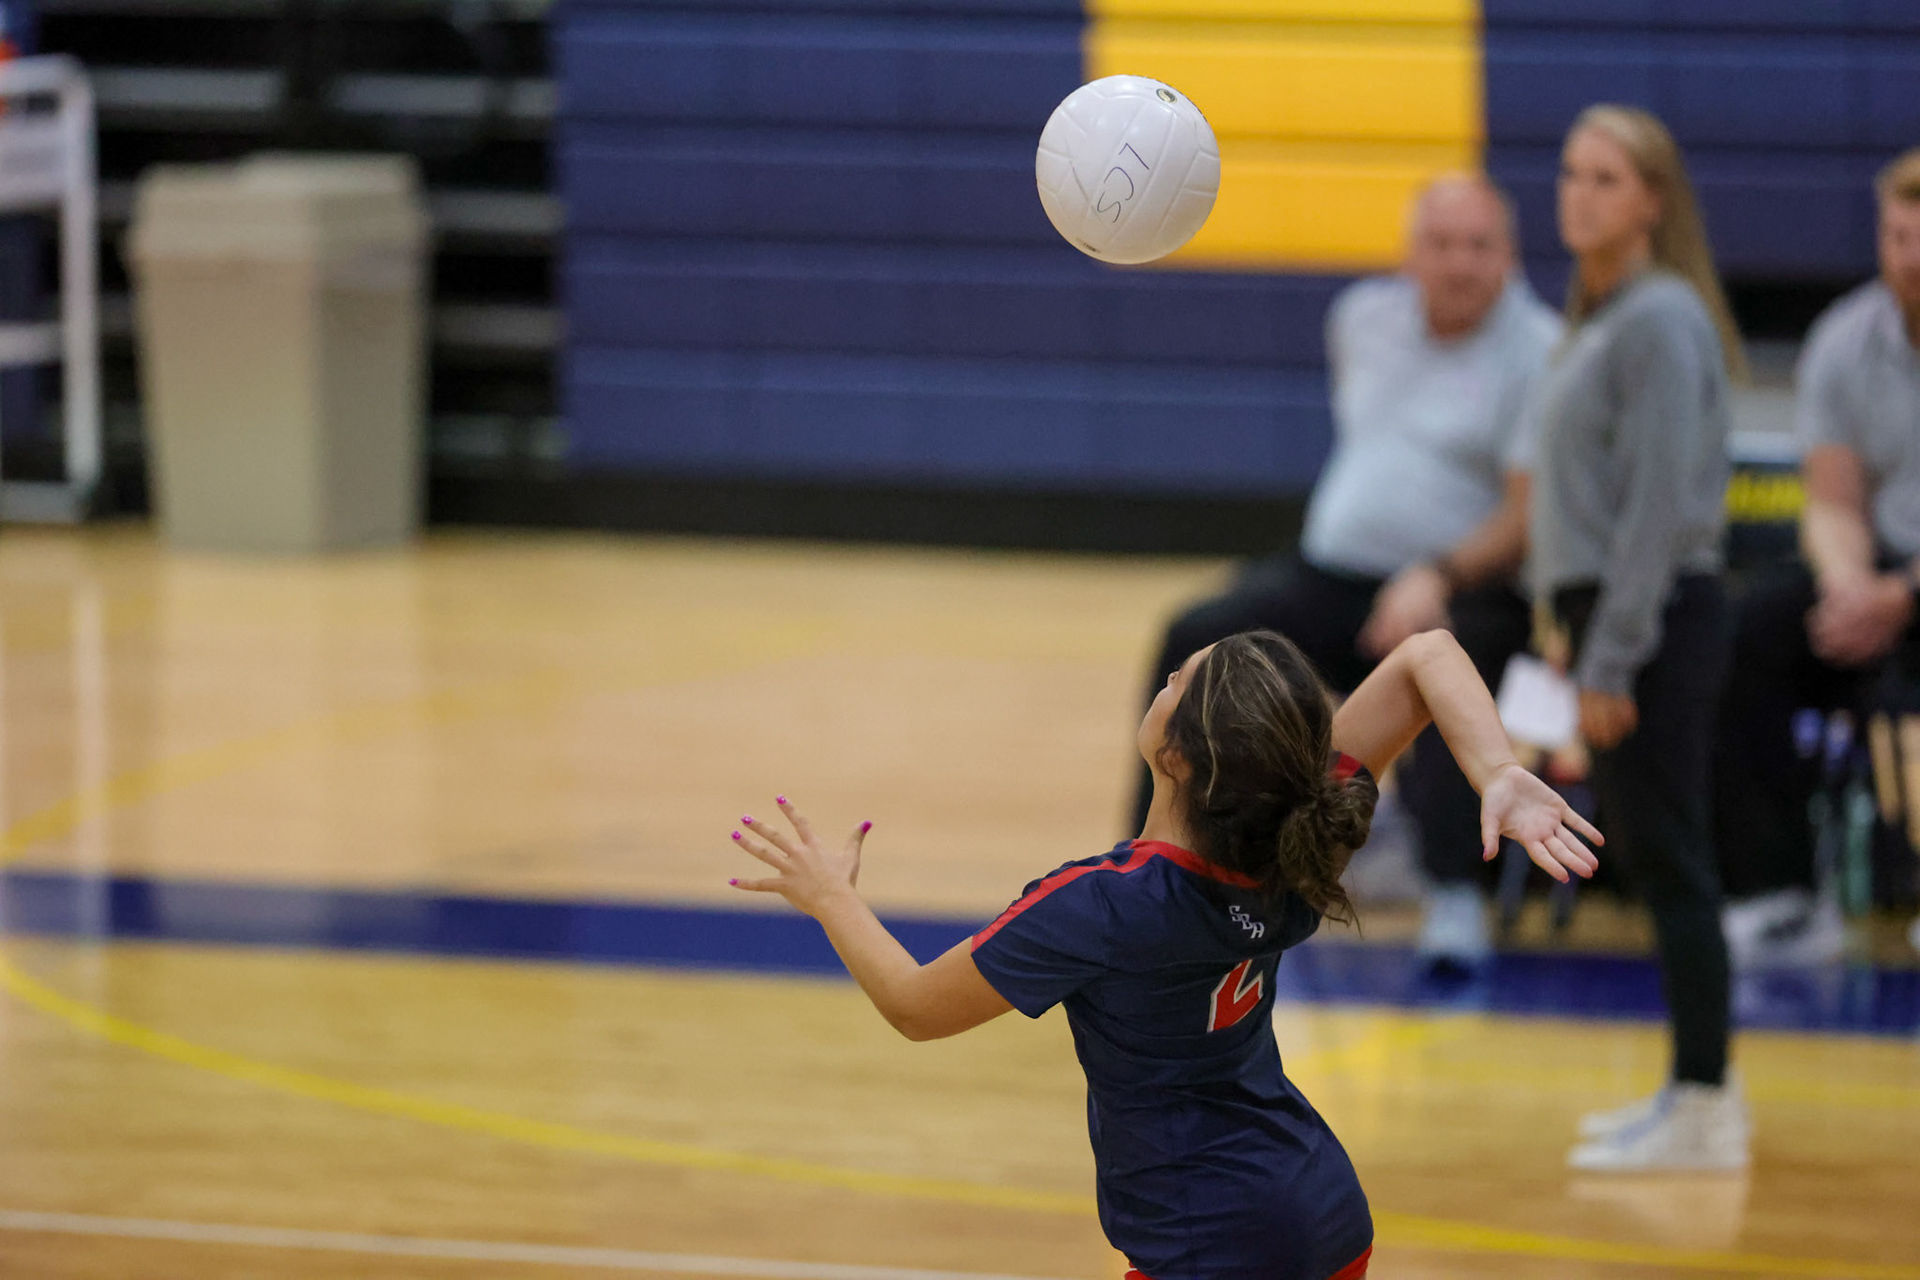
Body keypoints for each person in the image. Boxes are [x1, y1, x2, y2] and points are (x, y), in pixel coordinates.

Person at [726, 628, 1600, 1280]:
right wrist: (1494, 773)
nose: (1174, 671)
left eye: (1181, 677)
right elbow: (1428, 658)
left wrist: (831, 896)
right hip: (1321, 1219)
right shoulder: (1296, 844)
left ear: (1175, 753)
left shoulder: (1102, 903)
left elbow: (915, 1007)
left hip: (1213, 1243)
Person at [1135, 174, 1562, 968]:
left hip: (1465, 587)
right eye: (1442, 244)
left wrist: (1434, 570)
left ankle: (1453, 893)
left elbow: (1525, 514)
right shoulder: (1361, 319)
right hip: (1332, 578)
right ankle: (1156, 863)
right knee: (1196, 638)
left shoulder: (1538, 348)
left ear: (1510, 255)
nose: (1461, 263)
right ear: (1411, 253)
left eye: (1481, 245)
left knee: (1448, 657)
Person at [1528, 104, 1747, 1172]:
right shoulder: (1605, 314)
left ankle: (1706, 1102)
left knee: (1673, 865)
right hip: (1611, 616)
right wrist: (1568, 632)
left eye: (1607, 177)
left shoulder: (1660, 318)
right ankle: (1692, 1092)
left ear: (1653, 199)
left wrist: (1612, 652)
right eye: (1571, 173)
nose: (1580, 193)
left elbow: (1660, 505)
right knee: (1662, 863)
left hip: (1655, 622)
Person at [1714, 148, 1920, 968]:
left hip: (1909, 588)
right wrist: (1850, 589)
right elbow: (1832, 501)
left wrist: (1899, 598)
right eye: (1900, 236)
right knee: (1749, 633)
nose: (1913, 257)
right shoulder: (1845, 338)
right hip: (1875, 570)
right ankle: (1782, 895)